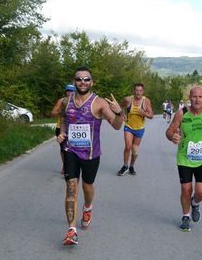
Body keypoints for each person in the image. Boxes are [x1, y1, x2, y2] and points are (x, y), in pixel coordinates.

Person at [57, 66, 124, 245]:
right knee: (71, 187)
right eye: (79, 79)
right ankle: (71, 230)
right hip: (70, 150)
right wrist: (62, 133)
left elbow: (117, 126)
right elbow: (64, 119)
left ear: (91, 82)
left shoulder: (99, 103)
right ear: (74, 82)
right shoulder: (66, 101)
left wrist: (119, 112)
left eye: (86, 79)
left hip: (91, 154)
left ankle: (88, 207)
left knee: (87, 187)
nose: (83, 82)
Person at [166, 86, 202, 232]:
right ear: (190, 98)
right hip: (184, 158)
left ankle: (195, 203)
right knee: (186, 189)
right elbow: (170, 130)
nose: (197, 99)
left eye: (200, 97)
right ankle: (185, 216)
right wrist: (173, 136)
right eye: (194, 97)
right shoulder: (181, 114)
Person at [117, 83, 153, 176]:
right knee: (128, 146)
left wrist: (144, 113)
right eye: (137, 90)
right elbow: (120, 107)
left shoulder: (146, 101)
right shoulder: (128, 99)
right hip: (128, 127)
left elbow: (151, 115)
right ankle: (125, 166)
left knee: (135, 149)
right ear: (134, 91)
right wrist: (123, 114)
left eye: (140, 91)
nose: (138, 92)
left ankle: (131, 166)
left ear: (143, 91)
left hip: (140, 128)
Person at [51, 84, 76, 174]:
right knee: (63, 149)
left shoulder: (79, 101)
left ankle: (73, 166)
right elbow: (53, 113)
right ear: (65, 92)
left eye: (72, 91)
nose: (70, 93)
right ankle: (65, 166)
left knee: (75, 148)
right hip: (61, 127)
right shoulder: (61, 101)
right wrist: (62, 112)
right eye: (68, 91)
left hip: (74, 128)